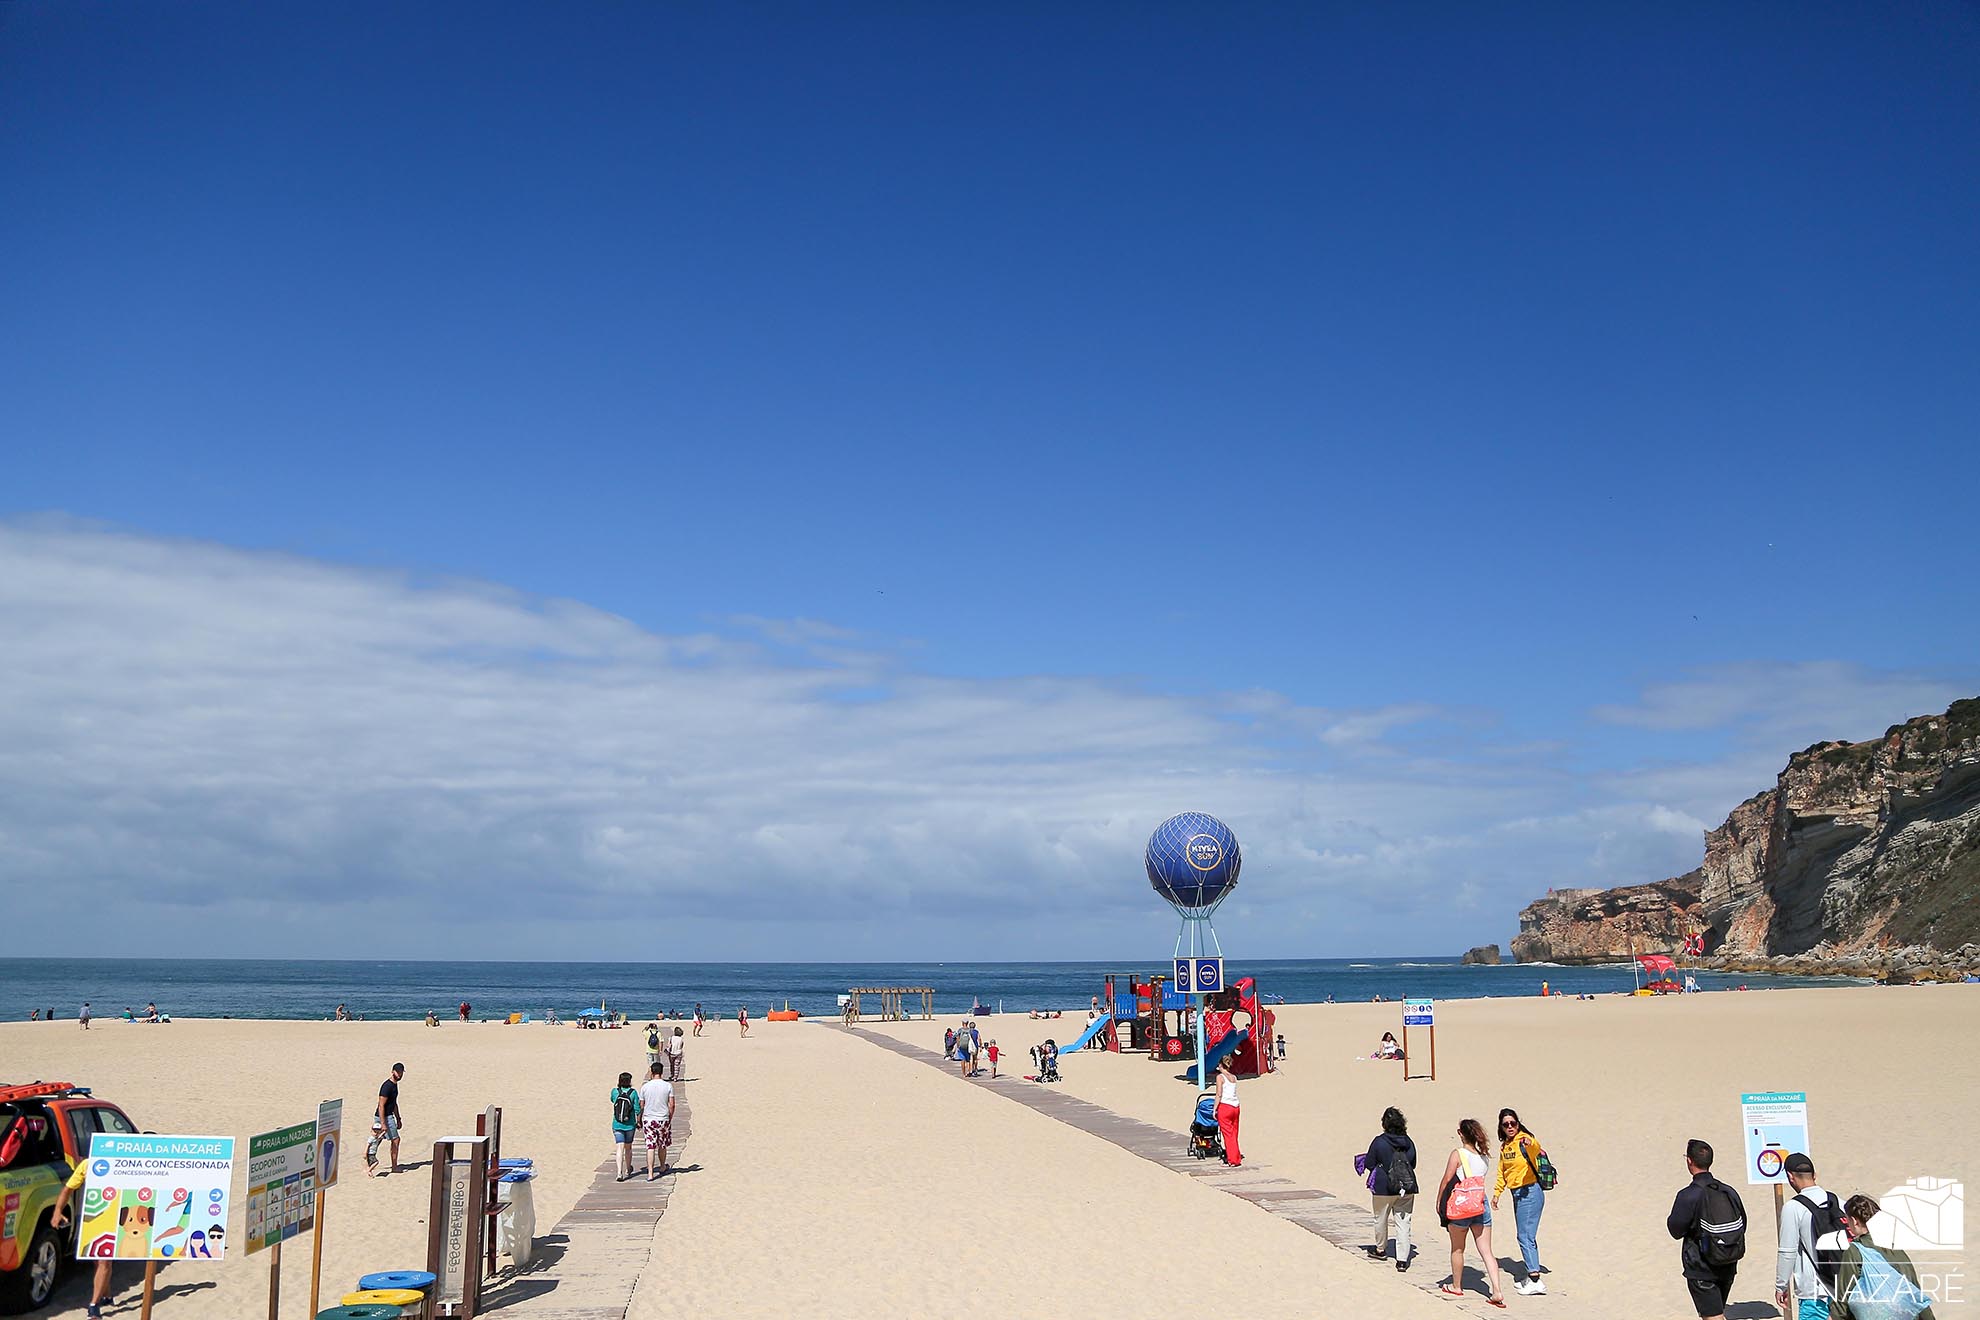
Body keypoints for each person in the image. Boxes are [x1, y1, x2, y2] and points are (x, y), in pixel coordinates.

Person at [1668, 1138, 1748, 1320]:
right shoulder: (1728, 1191)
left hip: (1701, 1267)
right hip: (1728, 1261)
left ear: (1689, 1161)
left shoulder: (1688, 1195)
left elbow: (1675, 1230)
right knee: (1714, 1313)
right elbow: (1743, 1222)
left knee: (1714, 1316)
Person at [1436, 1118, 1505, 1307]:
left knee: (1458, 1249)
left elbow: (1447, 1179)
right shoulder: (1483, 1155)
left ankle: (1457, 1286)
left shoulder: (1458, 1154)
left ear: (1461, 1133)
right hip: (1480, 1203)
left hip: (1462, 1203)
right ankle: (1497, 1290)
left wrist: (1439, 1200)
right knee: (1487, 1251)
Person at [1834, 1194, 1938, 1320]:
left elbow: (1842, 1300)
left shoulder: (1854, 1251)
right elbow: (1914, 1289)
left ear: (1854, 1221)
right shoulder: (1894, 1247)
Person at [1779, 1153, 1844, 1319]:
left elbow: (1787, 1251)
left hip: (1813, 1291)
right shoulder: (1836, 1200)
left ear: (1790, 1177)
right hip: (1842, 1286)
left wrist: (1781, 1286)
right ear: (1814, 1175)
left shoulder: (1793, 1207)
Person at [50, 1157, 115, 1318]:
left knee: (104, 1260)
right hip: (94, 1217)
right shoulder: (88, 1165)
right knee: (99, 1260)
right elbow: (68, 1189)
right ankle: (106, 1296)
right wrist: (58, 1211)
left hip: (115, 1218)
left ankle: (93, 1305)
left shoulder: (125, 1164)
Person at [1493, 1107, 1548, 1293]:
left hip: (1530, 1192)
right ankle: (1530, 1274)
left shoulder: (1524, 1141)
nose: (1510, 1127)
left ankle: (1535, 1279)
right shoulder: (1505, 1146)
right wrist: (1496, 1193)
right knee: (1525, 1234)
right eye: (1506, 1124)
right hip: (1516, 1194)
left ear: (1518, 1123)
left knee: (1525, 1236)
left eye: (1513, 1123)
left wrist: (1529, 1141)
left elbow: (1536, 1147)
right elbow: (1502, 1171)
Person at [1363, 1106, 1418, 1271]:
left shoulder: (1379, 1141)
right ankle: (1402, 1260)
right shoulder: (1408, 1142)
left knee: (1380, 1218)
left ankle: (1380, 1249)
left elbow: (1369, 1163)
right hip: (1406, 1186)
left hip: (1383, 1187)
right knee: (1403, 1222)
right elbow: (1413, 1163)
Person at [637, 1062, 676, 1181]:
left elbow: (641, 1105)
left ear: (652, 1072)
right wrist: (670, 1116)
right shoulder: (667, 1086)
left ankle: (650, 1173)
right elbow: (672, 1104)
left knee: (650, 1146)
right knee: (662, 1144)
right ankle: (662, 1166)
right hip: (663, 1118)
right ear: (661, 1072)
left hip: (649, 1119)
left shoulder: (645, 1087)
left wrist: (639, 1120)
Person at [366, 1062, 406, 1176]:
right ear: (392, 1071)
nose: (400, 1075)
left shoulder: (394, 1086)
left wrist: (398, 1118)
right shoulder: (387, 1086)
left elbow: (394, 1103)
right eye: (398, 1072)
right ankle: (393, 1166)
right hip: (383, 1117)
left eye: (401, 1072)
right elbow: (381, 1105)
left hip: (389, 1116)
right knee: (394, 1140)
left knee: (378, 1139)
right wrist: (383, 1123)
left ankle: (371, 1162)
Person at [610, 1070, 641, 1181]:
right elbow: (637, 1108)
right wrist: (638, 1121)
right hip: (629, 1125)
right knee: (628, 1148)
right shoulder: (633, 1093)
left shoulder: (615, 1091)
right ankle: (628, 1169)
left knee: (619, 1147)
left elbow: (612, 1100)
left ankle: (619, 1172)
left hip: (617, 1123)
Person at [1214, 1056, 1242, 1167]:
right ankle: (1236, 1157)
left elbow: (1219, 1094)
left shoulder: (1220, 1077)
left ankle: (1232, 1160)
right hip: (1236, 1106)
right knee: (1234, 1133)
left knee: (1228, 1134)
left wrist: (1215, 1108)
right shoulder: (1234, 1077)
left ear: (1221, 1065)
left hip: (1225, 1106)